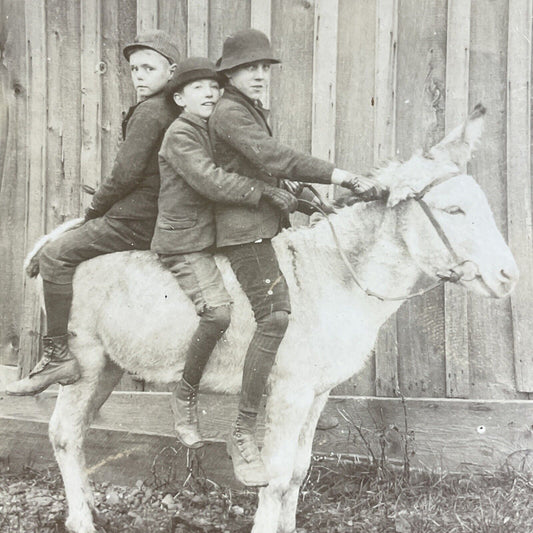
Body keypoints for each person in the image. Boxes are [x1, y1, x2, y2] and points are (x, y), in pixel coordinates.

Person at [209, 29, 386, 486]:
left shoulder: (247, 110)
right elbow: (272, 156)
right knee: (275, 315)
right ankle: (245, 424)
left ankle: (299, 394)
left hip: (260, 223)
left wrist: (305, 196)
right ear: (229, 73)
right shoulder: (229, 111)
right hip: (239, 230)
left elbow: (268, 169)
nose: (260, 75)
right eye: (250, 68)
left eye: (265, 68)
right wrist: (340, 176)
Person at [6, 30, 181, 396]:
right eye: (134, 69)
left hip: (136, 219)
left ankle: (57, 357)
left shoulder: (151, 112)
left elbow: (125, 175)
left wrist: (94, 211)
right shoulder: (171, 108)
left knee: (54, 255)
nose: (139, 76)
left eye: (149, 68)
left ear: (172, 71)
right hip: (152, 212)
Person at [152, 57, 299, 451]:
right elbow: (212, 181)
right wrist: (265, 192)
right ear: (179, 98)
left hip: (210, 236)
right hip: (186, 242)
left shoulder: (212, 129)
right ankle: (184, 394)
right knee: (218, 312)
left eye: (214, 88)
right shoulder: (180, 135)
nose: (210, 93)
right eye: (198, 88)